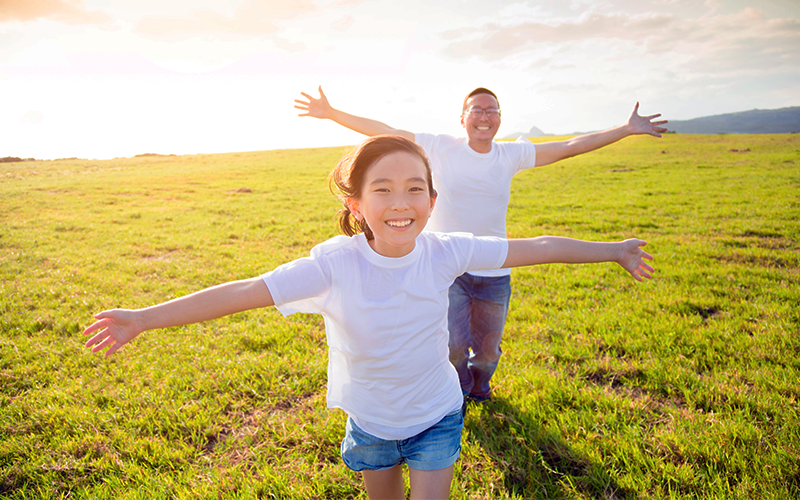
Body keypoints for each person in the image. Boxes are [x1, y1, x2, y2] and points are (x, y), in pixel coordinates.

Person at [83, 135, 654, 500]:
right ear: (356, 204)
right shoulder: (332, 266)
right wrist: (143, 318)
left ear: (433, 199)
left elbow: (539, 246)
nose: (401, 202)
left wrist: (614, 249)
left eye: (415, 188)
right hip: (371, 422)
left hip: (436, 413)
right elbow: (245, 291)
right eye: (382, 189)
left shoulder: (446, 250)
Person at [294, 86, 667, 404]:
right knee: (453, 347)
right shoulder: (439, 148)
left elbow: (570, 146)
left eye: (492, 110)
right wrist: (330, 113)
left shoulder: (511, 154)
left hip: (494, 269)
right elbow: (385, 131)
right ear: (463, 118)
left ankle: (480, 388)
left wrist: (625, 129)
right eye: (476, 109)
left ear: (500, 118)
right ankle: (456, 393)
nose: (484, 116)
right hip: (448, 268)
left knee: (488, 351)